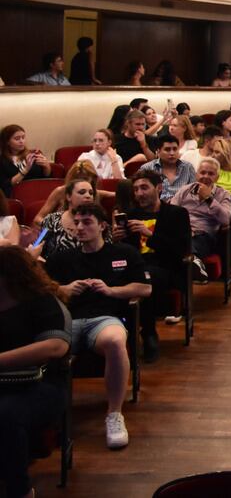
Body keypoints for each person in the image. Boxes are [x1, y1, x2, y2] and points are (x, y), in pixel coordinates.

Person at [45, 203, 151, 449]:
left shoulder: (123, 253)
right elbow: (42, 291)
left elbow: (145, 288)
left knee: (115, 340)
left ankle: (114, 414)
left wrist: (111, 290)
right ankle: (52, 415)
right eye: (77, 223)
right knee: (43, 346)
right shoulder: (62, 258)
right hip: (68, 319)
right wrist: (64, 290)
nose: (80, 228)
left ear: (103, 226)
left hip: (104, 318)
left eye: (87, 222)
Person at [0, 246, 72, 497]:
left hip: (41, 384)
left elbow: (56, 346)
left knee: (6, 414)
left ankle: (20, 491)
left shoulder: (43, 302)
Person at [118, 170, 191, 362]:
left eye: (144, 187)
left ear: (158, 188)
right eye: (135, 189)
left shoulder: (176, 214)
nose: (139, 193)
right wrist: (116, 239)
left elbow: (180, 250)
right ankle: (130, 334)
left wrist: (150, 235)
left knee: (146, 278)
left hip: (166, 267)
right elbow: (123, 253)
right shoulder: (131, 215)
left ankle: (148, 333)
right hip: (136, 268)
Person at [1, 124, 52, 198]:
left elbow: (46, 177)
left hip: (38, 192)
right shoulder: (2, 161)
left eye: (23, 137)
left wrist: (47, 167)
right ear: (7, 142)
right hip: (16, 195)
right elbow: (6, 185)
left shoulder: (33, 154)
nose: (21, 141)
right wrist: (25, 170)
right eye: (17, 138)